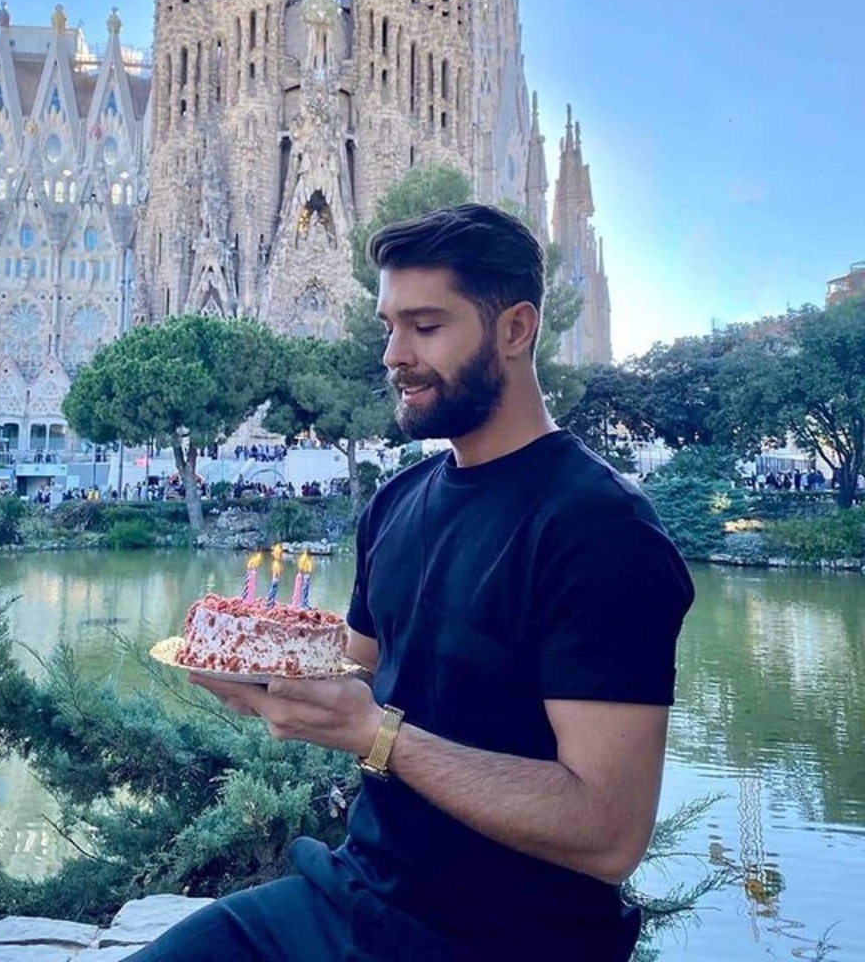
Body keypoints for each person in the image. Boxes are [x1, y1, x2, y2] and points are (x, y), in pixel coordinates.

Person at [125, 204, 694, 962]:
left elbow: (608, 831)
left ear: (516, 330)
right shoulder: (398, 501)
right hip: (353, 893)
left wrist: (376, 736)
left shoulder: (600, 530)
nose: (395, 355)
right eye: (389, 326)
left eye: (426, 326)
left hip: (506, 943)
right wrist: (263, 677)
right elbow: (357, 673)